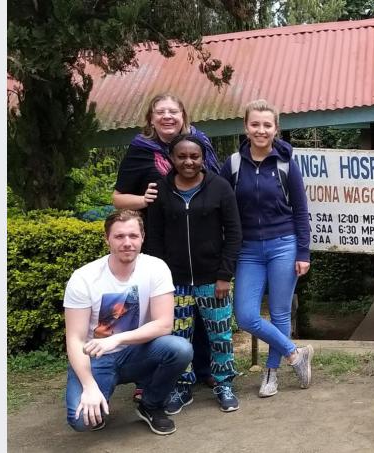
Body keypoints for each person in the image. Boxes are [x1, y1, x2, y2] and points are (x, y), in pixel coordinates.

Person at [112, 93, 216, 400]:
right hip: (157, 241)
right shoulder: (140, 150)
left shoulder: (200, 144)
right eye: (161, 112)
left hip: (198, 239)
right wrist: (143, 200)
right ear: (151, 118)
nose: (167, 116)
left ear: (184, 115)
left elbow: (216, 183)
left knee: (197, 308)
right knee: (154, 309)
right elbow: (118, 198)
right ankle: (151, 373)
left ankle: (203, 370)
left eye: (173, 111)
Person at [63, 210, 193, 435]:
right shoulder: (84, 278)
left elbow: (164, 324)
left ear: (143, 237)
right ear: (107, 239)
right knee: (81, 421)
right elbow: (74, 339)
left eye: (133, 236)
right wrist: (89, 386)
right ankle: (97, 393)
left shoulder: (156, 268)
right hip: (96, 358)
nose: (127, 243)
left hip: (138, 352)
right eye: (119, 236)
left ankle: (150, 404)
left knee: (180, 349)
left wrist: (117, 339)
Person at [220, 99, 314, 397]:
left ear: (276, 129)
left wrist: (303, 252)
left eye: (267, 125)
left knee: (279, 312)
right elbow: (219, 204)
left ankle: (271, 374)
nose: (261, 130)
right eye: (255, 124)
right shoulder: (233, 164)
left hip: (283, 245)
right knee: (246, 315)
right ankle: (295, 353)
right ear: (246, 127)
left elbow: (300, 211)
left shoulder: (286, 165)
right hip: (248, 249)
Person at [146, 134, 243, 413]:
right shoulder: (161, 191)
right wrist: (162, 280)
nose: (188, 161)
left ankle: (224, 384)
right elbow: (154, 238)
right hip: (174, 284)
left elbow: (234, 233)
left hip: (213, 280)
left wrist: (224, 274)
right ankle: (182, 386)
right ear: (171, 159)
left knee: (220, 335)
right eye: (182, 156)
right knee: (179, 338)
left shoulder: (220, 188)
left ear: (203, 158)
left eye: (194, 156)